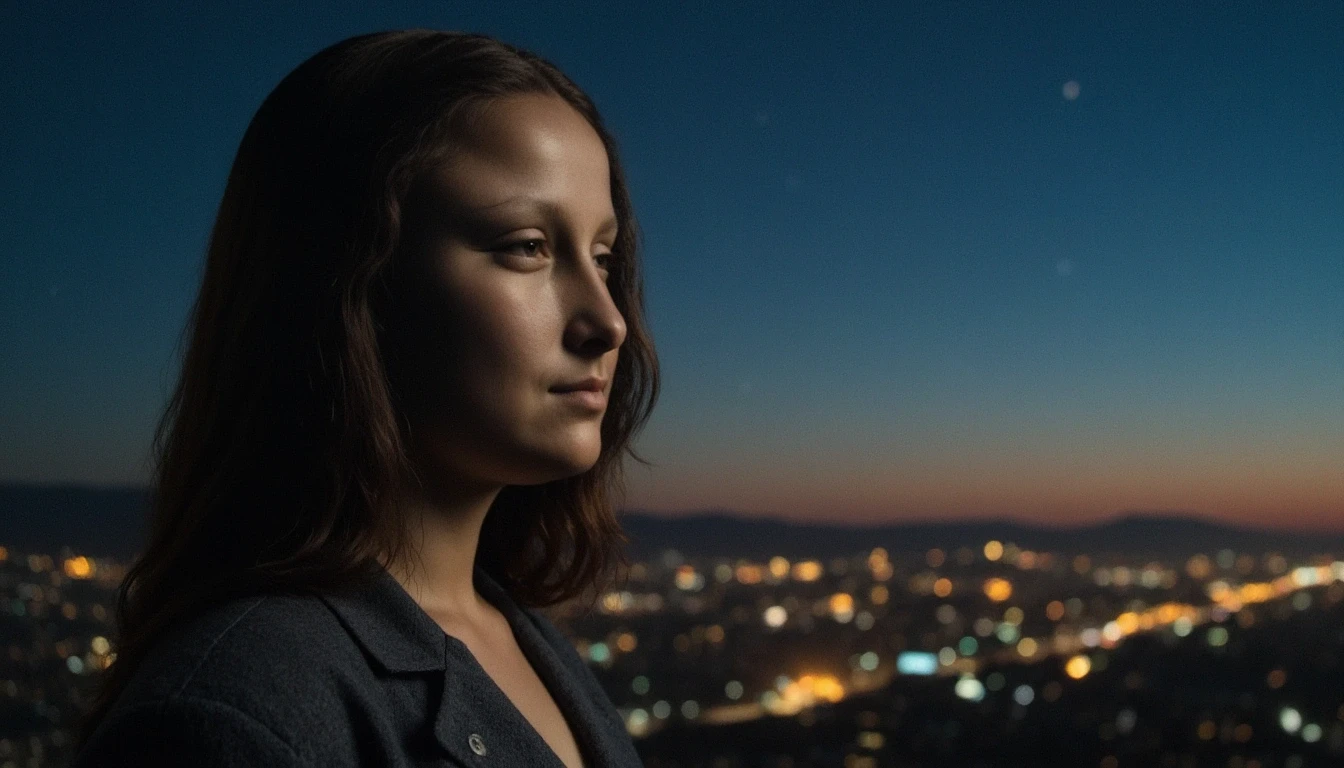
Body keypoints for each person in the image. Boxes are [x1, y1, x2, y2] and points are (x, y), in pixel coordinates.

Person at [72, 29, 658, 767]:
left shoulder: (515, 634)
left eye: (603, 258)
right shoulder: (231, 713)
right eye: (525, 245)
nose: (608, 322)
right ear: (346, 284)